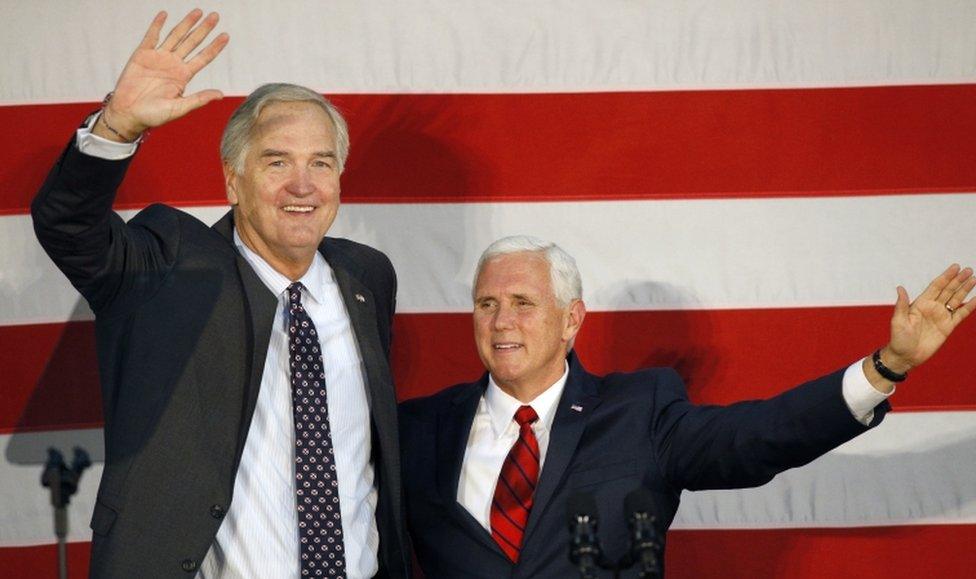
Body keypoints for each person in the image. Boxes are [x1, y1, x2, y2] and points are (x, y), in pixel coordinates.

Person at [32, 10, 408, 578]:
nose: (302, 185)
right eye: (276, 161)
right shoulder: (170, 266)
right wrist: (117, 127)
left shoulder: (367, 276)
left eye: (320, 163)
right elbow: (69, 227)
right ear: (233, 179)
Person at [399, 235, 974, 578]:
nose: (502, 322)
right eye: (487, 304)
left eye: (524, 303)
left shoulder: (638, 411)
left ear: (571, 320)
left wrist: (885, 367)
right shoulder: (418, 429)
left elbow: (760, 436)